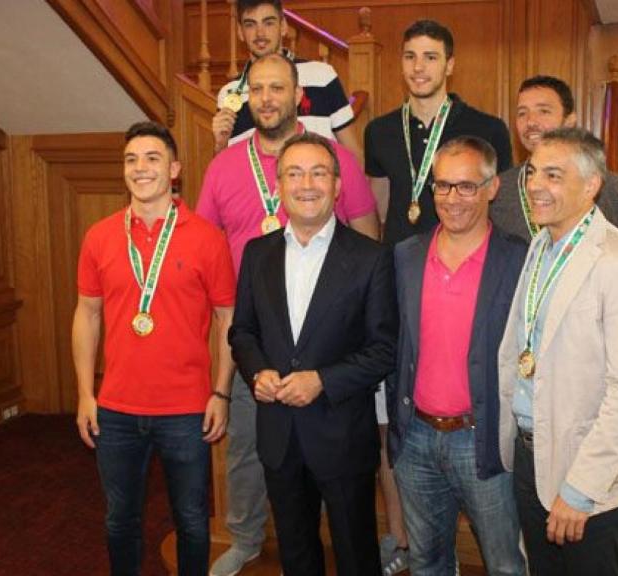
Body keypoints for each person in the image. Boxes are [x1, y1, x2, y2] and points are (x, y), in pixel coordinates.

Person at [196, 52, 379, 576]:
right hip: (260, 359)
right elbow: (215, 265)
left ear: (298, 92)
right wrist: (247, 362)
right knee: (255, 463)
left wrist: (332, 367)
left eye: (278, 88)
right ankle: (245, 536)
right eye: (257, 89)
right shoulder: (227, 171)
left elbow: (367, 248)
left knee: (350, 530)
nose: (267, 98)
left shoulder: (338, 165)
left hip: (333, 373)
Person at [497, 127, 618, 575]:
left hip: (590, 475)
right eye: (533, 172)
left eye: (553, 175)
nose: (535, 184)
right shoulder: (541, 245)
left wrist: (580, 489)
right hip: (533, 458)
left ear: (591, 186)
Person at [229, 132, 398, 576]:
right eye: (295, 173)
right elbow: (242, 331)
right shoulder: (256, 254)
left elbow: (385, 349)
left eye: (319, 173)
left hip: (341, 434)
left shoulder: (371, 258)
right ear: (279, 186)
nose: (307, 184)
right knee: (296, 553)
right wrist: (256, 372)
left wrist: (322, 380)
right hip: (279, 436)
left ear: (338, 186)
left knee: (356, 555)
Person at [73, 121, 236, 576]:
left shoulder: (207, 237)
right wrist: (87, 393)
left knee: (191, 521)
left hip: (186, 409)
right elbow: (87, 314)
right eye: (131, 160)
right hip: (117, 409)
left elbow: (228, 320)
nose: (140, 168)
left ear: (175, 170)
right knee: (119, 520)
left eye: (152, 158)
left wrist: (220, 393)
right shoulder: (100, 236)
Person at [387, 136, 527, 576]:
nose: (452, 199)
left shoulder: (519, 260)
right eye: (443, 186)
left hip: (482, 438)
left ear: (492, 188)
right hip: (416, 439)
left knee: (505, 563)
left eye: (466, 186)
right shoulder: (406, 257)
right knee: (428, 562)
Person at [365, 19, 513, 245]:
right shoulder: (378, 131)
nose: (418, 67)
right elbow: (381, 209)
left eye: (430, 57)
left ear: (450, 65)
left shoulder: (488, 129)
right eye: (410, 56)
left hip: (465, 262)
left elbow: (501, 208)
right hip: (398, 266)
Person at [490, 75, 618, 246]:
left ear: (569, 121)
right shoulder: (499, 190)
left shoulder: (607, 186)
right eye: (522, 113)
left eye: (543, 111)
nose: (530, 122)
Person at [212, 0, 362, 162]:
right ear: (240, 32)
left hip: (317, 185)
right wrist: (220, 145)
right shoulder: (230, 93)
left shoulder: (321, 76)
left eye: (268, 23)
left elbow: (352, 153)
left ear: (283, 26)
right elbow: (225, 168)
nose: (260, 34)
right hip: (259, 187)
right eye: (250, 25)